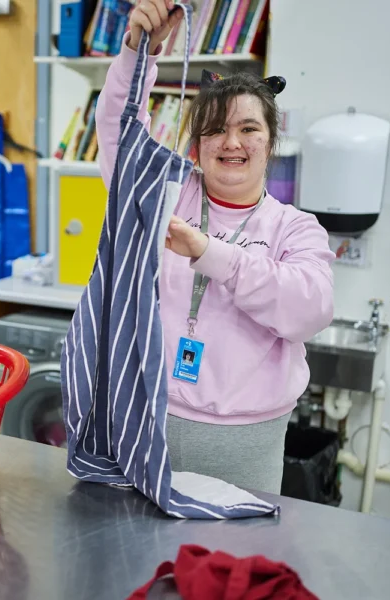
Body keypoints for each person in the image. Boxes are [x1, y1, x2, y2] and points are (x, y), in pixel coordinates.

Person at [94, 0, 335, 494]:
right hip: (144, 420)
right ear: (195, 145)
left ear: (270, 143)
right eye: (215, 129)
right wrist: (140, 51)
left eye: (248, 128)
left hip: (244, 445)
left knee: (231, 565)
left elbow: (309, 309)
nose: (231, 141)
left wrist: (209, 251)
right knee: (138, 559)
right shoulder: (168, 194)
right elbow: (119, 134)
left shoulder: (296, 227)